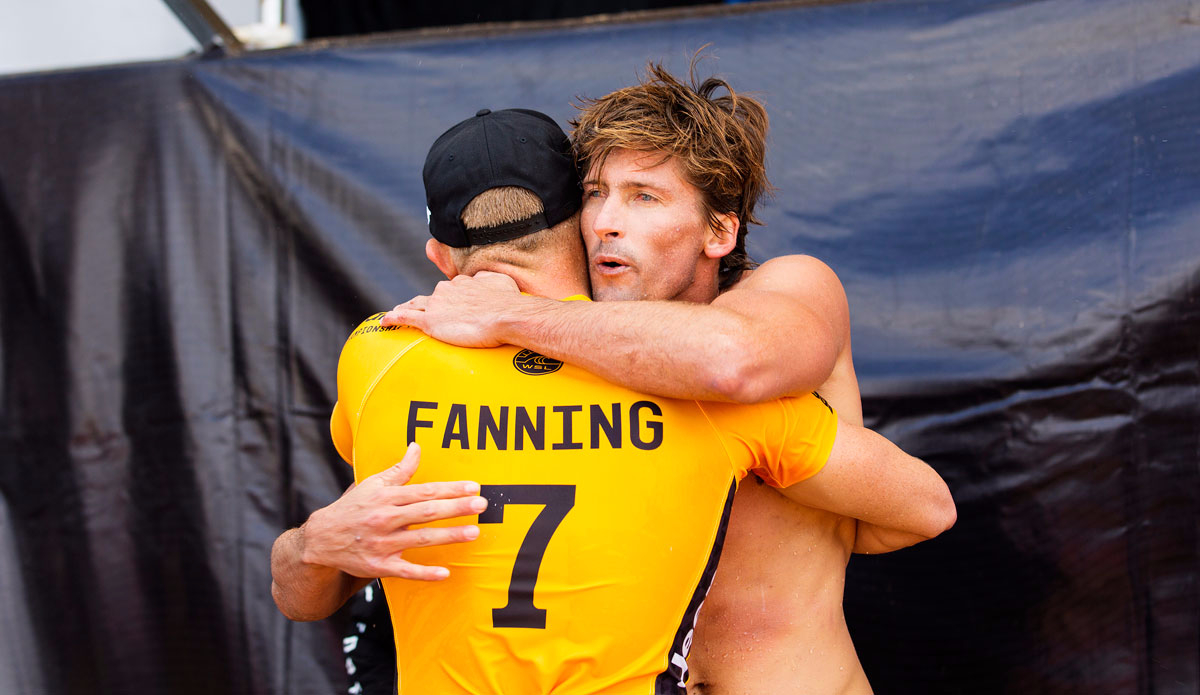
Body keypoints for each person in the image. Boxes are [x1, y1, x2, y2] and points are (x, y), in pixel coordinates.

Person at [272, 108, 954, 693]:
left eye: (644, 197)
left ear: (719, 231)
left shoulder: (787, 293)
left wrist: (510, 314)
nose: (606, 222)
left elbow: (731, 361)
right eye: (595, 195)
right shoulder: (561, 357)